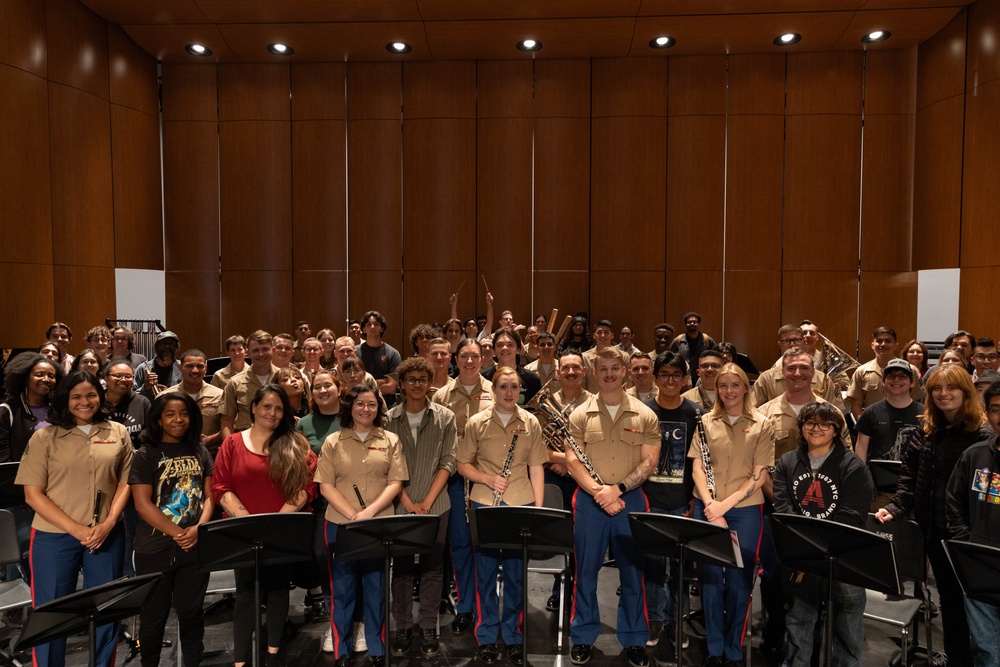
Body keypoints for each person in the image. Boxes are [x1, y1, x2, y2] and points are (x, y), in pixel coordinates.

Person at [875, 363, 994, 666]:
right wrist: (895, 508)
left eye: (951, 387)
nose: (943, 394)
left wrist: (966, 533)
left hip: (972, 536)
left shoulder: (982, 435)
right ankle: (958, 659)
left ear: (965, 392)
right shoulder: (926, 431)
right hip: (937, 532)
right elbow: (909, 480)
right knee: (951, 602)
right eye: (937, 389)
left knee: (978, 608)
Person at [16, 371, 133, 667]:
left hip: (107, 535)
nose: (85, 402)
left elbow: (126, 483)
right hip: (54, 536)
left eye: (91, 394)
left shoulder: (118, 431)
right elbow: (33, 495)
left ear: (101, 396)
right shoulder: (44, 436)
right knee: (53, 612)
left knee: (107, 610)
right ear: (65, 399)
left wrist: (108, 523)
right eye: (76, 396)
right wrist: (76, 529)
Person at [566, 348, 660, 667]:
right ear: (594, 371)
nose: (609, 374)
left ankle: (634, 639)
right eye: (602, 368)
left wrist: (617, 489)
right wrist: (599, 491)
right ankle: (582, 636)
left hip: (631, 499)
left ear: (625, 372)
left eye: (614, 368)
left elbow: (650, 462)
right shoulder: (579, 414)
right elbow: (571, 459)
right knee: (586, 572)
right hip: (590, 500)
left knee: (633, 574)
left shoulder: (645, 414)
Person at [212, 385, 318, 667]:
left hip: (283, 531)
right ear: (255, 408)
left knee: (279, 591)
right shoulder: (233, 443)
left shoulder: (295, 443)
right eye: (267, 406)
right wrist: (250, 523)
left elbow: (305, 486)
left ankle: (273, 653)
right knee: (246, 595)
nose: (272, 413)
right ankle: (240, 660)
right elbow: (220, 486)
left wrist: (275, 525)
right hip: (242, 531)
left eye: (279, 408)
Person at [772, 402, 873, 667]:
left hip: (843, 559)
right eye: (810, 423)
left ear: (836, 430)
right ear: (802, 427)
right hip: (802, 557)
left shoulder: (853, 466)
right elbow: (784, 510)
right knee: (798, 622)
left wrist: (820, 544)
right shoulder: (787, 462)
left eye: (824, 424)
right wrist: (806, 546)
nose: (816, 429)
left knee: (847, 628)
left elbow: (851, 516)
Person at [457, 367, 546, 665]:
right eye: (503, 387)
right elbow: (462, 465)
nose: (509, 392)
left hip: (520, 504)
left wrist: (538, 509)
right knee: (483, 574)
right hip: (484, 503)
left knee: (516, 575)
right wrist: (486, 478)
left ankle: (513, 635)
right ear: (493, 390)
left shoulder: (531, 422)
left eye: (514, 387)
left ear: (520, 389)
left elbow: (537, 468)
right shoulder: (476, 422)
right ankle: (485, 637)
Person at [315, 385, 408, 667]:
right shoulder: (333, 441)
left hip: (378, 525)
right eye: (359, 404)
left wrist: (368, 512)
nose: (365, 409)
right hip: (340, 525)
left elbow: (396, 483)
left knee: (376, 586)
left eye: (371, 404)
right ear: (350, 407)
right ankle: (342, 651)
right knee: (341, 589)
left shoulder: (390, 440)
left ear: (378, 408)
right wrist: (352, 514)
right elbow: (325, 486)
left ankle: (378, 648)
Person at [688, 363, 774, 667]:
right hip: (707, 507)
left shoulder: (763, 424)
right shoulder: (704, 421)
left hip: (745, 512)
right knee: (710, 578)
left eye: (734, 385)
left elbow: (759, 475)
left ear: (745, 388)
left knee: (739, 581)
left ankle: (733, 648)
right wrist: (711, 505)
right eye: (723, 385)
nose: (728, 391)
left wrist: (725, 506)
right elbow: (697, 466)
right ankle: (713, 647)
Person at [129, 393, 214, 667]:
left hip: (195, 545)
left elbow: (209, 496)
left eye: (184, 413)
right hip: (155, 548)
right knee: (153, 617)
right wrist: (179, 533)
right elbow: (142, 504)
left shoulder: (199, 450)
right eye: (170, 414)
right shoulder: (146, 454)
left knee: (192, 613)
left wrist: (199, 528)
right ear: (158, 419)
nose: (178, 419)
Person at [385, 358, 457, 658]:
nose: (416, 384)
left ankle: (428, 627)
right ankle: (402, 627)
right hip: (400, 504)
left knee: (432, 567)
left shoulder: (445, 416)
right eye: (411, 379)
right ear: (401, 384)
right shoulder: (388, 419)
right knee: (401, 569)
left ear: (430, 382)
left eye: (422, 379)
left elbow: (449, 460)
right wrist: (408, 503)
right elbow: (387, 467)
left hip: (436, 503)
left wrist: (426, 502)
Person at [431, 338, 494, 635]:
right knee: (460, 545)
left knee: (485, 546)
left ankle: (487, 608)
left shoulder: (496, 391)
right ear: (456, 359)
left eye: (475, 356)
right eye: (464, 356)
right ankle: (466, 607)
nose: (470, 362)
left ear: (483, 358)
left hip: (489, 480)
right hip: (455, 480)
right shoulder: (442, 395)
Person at [642, 353, 697, 650]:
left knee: (679, 567)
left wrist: (692, 500)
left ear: (685, 379)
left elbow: (701, 463)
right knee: (652, 565)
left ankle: (676, 620)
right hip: (649, 500)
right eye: (664, 374)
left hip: (681, 502)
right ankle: (654, 618)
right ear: (655, 378)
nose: (671, 380)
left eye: (677, 375)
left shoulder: (696, 414)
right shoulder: (643, 410)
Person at [0, 353, 63, 583]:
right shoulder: (7, 410)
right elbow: (5, 462)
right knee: (21, 551)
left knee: (47, 552)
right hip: (22, 500)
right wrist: (25, 494)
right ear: (25, 377)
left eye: (51, 375)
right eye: (40, 374)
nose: (47, 379)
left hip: (56, 492)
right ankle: (17, 610)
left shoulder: (60, 410)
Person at [295, 370, 342, 651]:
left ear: (339, 388)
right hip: (320, 506)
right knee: (324, 559)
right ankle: (333, 618)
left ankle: (356, 620)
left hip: (354, 504)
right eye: (317, 387)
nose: (322, 390)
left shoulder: (351, 417)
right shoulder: (304, 425)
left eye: (328, 385)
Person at [946, 424, 1000, 667]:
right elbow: (954, 501)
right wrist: (966, 542)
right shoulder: (975, 455)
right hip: (979, 566)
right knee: (983, 647)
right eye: (997, 409)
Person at [854, 358, 923, 466]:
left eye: (902, 376)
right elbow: (861, 448)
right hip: (876, 480)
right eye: (891, 376)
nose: (896, 380)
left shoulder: (924, 413)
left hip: (914, 479)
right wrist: (862, 477)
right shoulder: (870, 412)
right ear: (883, 382)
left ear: (912, 382)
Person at [847, 327, 922, 421]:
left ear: (896, 345)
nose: (883, 344)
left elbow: (917, 400)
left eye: (888, 341)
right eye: (879, 341)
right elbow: (856, 403)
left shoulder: (911, 370)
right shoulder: (861, 371)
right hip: (873, 424)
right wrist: (864, 426)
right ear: (872, 345)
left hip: (904, 423)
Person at [161, 349, 225, 457]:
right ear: (180, 368)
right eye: (189, 366)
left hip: (211, 454)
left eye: (200, 366)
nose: (195, 370)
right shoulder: (165, 397)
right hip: (173, 456)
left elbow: (229, 425)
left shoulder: (220, 395)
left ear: (206, 368)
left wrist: (211, 439)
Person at [221, 330, 279, 437]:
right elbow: (227, 421)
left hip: (278, 440)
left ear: (273, 350)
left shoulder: (283, 379)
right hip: (246, 441)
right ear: (248, 353)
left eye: (265, 349)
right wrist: (230, 449)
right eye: (256, 350)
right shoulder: (235, 383)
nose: (261, 354)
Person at [481, 327, 541, 405]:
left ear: (518, 349)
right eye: (500, 345)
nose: (505, 348)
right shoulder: (482, 377)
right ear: (494, 350)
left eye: (510, 345)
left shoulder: (531, 379)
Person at [356, 311, 402, 407]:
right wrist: (381, 381)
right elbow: (352, 384)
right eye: (369, 324)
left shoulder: (393, 353)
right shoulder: (355, 352)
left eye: (376, 324)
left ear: (382, 328)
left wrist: (365, 384)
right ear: (363, 329)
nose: (372, 327)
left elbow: (391, 388)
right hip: (358, 406)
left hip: (385, 406)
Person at [669, 312, 717, 384]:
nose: (692, 324)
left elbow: (716, 356)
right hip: (684, 378)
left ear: (699, 324)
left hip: (703, 376)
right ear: (686, 324)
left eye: (695, 322)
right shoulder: (678, 340)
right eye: (689, 322)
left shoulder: (707, 340)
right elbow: (670, 357)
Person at [134, 331, 183, 401]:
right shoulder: (143, 368)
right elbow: (133, 396)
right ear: (156, 347)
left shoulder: (182, 368)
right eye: (162, 343)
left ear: (177, 347)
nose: (167, 346)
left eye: (171, 343)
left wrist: (171, 394)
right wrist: (145, 387)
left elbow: (189, 393)